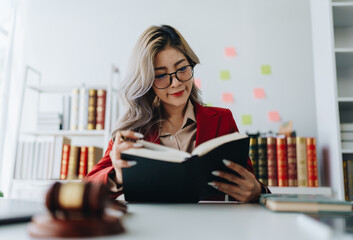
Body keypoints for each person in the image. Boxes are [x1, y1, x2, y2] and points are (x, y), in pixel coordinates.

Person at [84, 25, 270, 202]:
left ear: (191, 65)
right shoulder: (133, 131)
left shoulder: (222, 119)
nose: (176, 83)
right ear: (148, 82)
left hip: (212, 228)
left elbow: (250, 184)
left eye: (182, 69)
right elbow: (88, 187)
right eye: (161, 75)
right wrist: (117, 176)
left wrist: (257, 191)